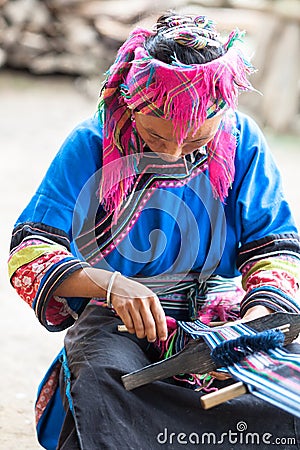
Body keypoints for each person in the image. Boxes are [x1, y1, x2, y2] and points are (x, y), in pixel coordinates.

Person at [8, 12, 300, 450]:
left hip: (221, 319)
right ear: (132, 104)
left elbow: (275, 246)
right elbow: (29, 252)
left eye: (196, 142)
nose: (176, 153)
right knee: (105, 377)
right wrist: (108, 285)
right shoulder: (91, 143)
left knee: (286, 390)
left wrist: (253, 326)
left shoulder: (243, 142)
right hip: (117, 320)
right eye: (156, 136)